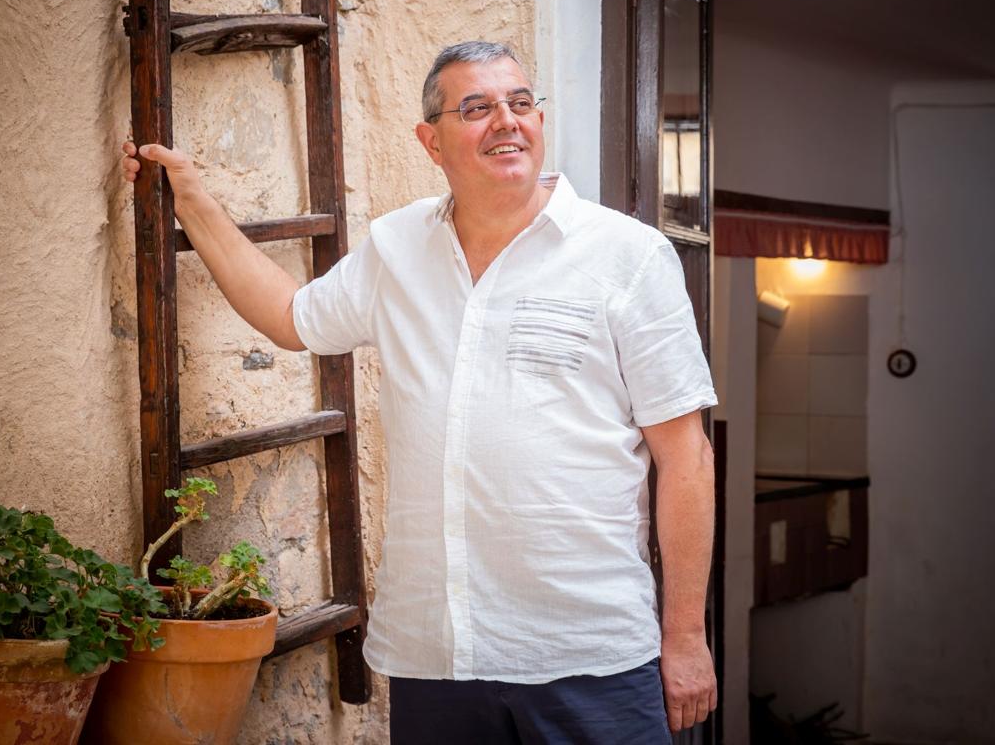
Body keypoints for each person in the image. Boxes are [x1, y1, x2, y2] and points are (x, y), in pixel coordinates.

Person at [121, 41, 718, 744]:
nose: (507, 121)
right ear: (430, 141)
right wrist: (191, 198)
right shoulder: (397, 247)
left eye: (520, 103)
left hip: (588, 653)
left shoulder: (628, 256)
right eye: (478, 108)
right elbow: (291, 318)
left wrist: (683, 636)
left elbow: (685, 459)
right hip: (439, 654)